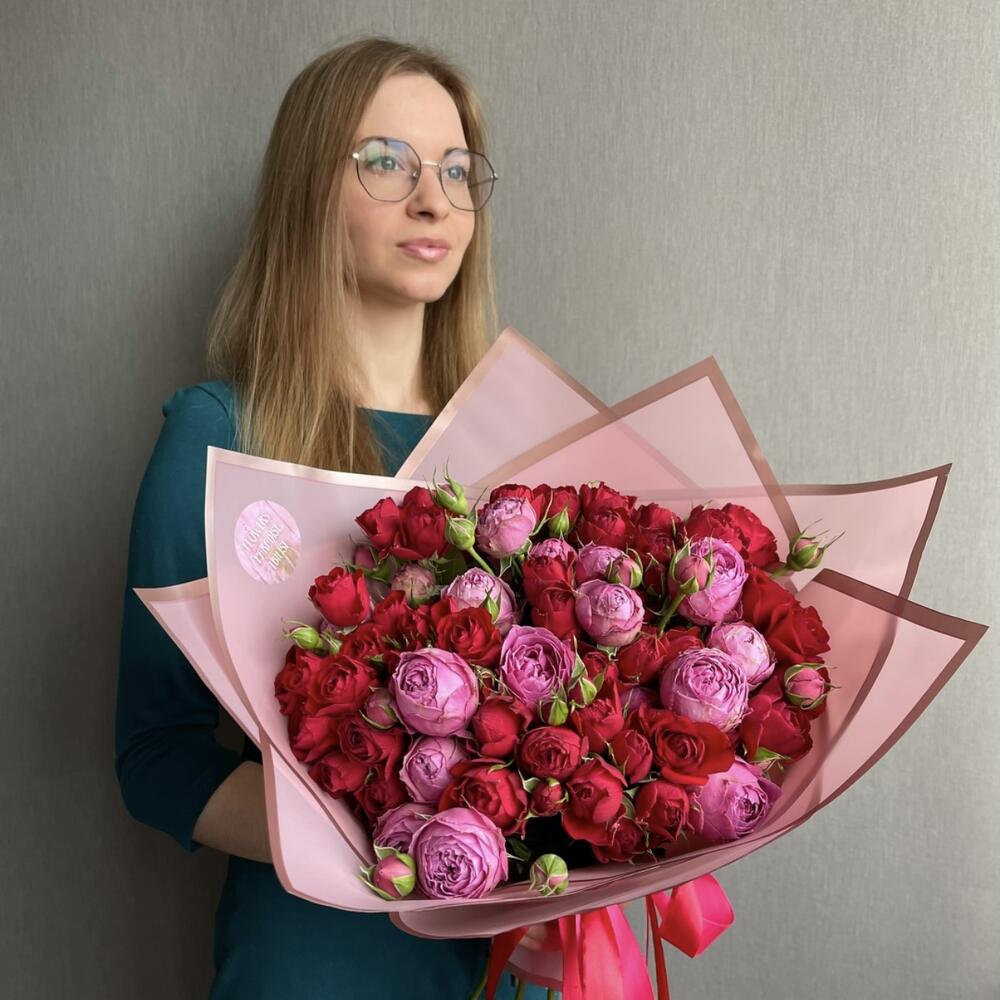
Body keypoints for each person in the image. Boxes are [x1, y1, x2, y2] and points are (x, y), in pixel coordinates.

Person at [115, 36, 546, 999]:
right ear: (311, 189)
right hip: (320, 962)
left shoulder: (522, 454)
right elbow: (156, 757)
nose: (432, 200)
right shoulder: (221, 436)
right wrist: (386, 841)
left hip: (513, 962)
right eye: (386, 162)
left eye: (456, 170)